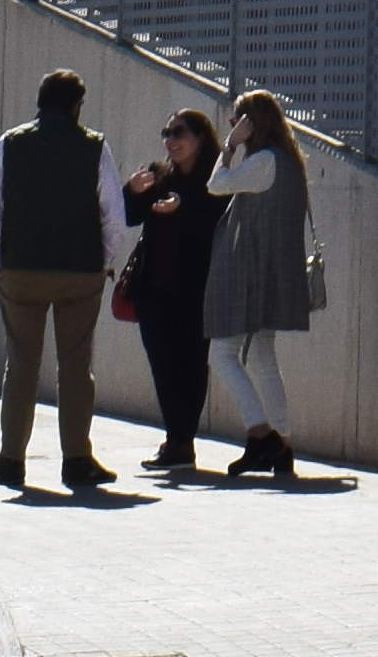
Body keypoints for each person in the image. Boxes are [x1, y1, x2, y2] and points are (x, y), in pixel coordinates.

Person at [0, 66, 116, 493]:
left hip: (21, 270)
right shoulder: (94, 146)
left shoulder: (10, 143)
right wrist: (105, 261)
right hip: (80, 271)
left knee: (21, 364)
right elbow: (113, 214)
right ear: (76, 106)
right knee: (75, 366)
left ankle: (10, 460)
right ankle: (77, 459)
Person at [209, 87, 323, 483]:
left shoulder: (263, 162)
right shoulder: (288, 161)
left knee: (222, 353)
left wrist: (228, 146)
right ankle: (283, 445)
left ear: (251, 123)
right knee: (261, 357)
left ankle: (262, 436)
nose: (231, 124)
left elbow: (216, 184)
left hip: (252, 272)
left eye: (237, 118)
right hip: (275, 272)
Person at [118, 109, 223, 480]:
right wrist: (132, 191)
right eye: (166, 133)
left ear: (199, 137)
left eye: (179, 133)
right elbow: (129, 216)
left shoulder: (216, 179)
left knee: (191, 366)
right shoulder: (158, 175)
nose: (171, 141)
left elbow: (217, 223)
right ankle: (175, 440)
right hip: (154, 288)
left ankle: (182, 441)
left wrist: (183, 209)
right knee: (163, 367)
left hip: (196, 289)